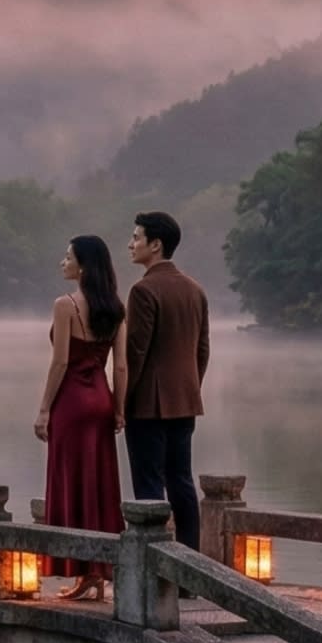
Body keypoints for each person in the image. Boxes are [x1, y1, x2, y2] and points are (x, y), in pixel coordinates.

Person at [35, 235, 126, 600]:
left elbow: (60, 362)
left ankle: (81, 568)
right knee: (99, 486)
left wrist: (44, 409)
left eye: (68, 256)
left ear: (84, 265)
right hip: (101, 401)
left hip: (72, 403)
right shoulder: (116, 308)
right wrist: (119, 409)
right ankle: (96, 574)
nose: (63, 262)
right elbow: (120, 365)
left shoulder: (66, 305)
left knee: (71, 482)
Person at [123, 211, 211, 550]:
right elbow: (202, 350)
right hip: (185, 401)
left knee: (148, 489)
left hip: (148, 405)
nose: (130, 244)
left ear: (155, 244)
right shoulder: (195, 290)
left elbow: (136, 354)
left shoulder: (144, 290)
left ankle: (154, 565)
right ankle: (189, 563)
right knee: (182, 482)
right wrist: (189, 388)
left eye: (136, 237)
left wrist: (121, 403)